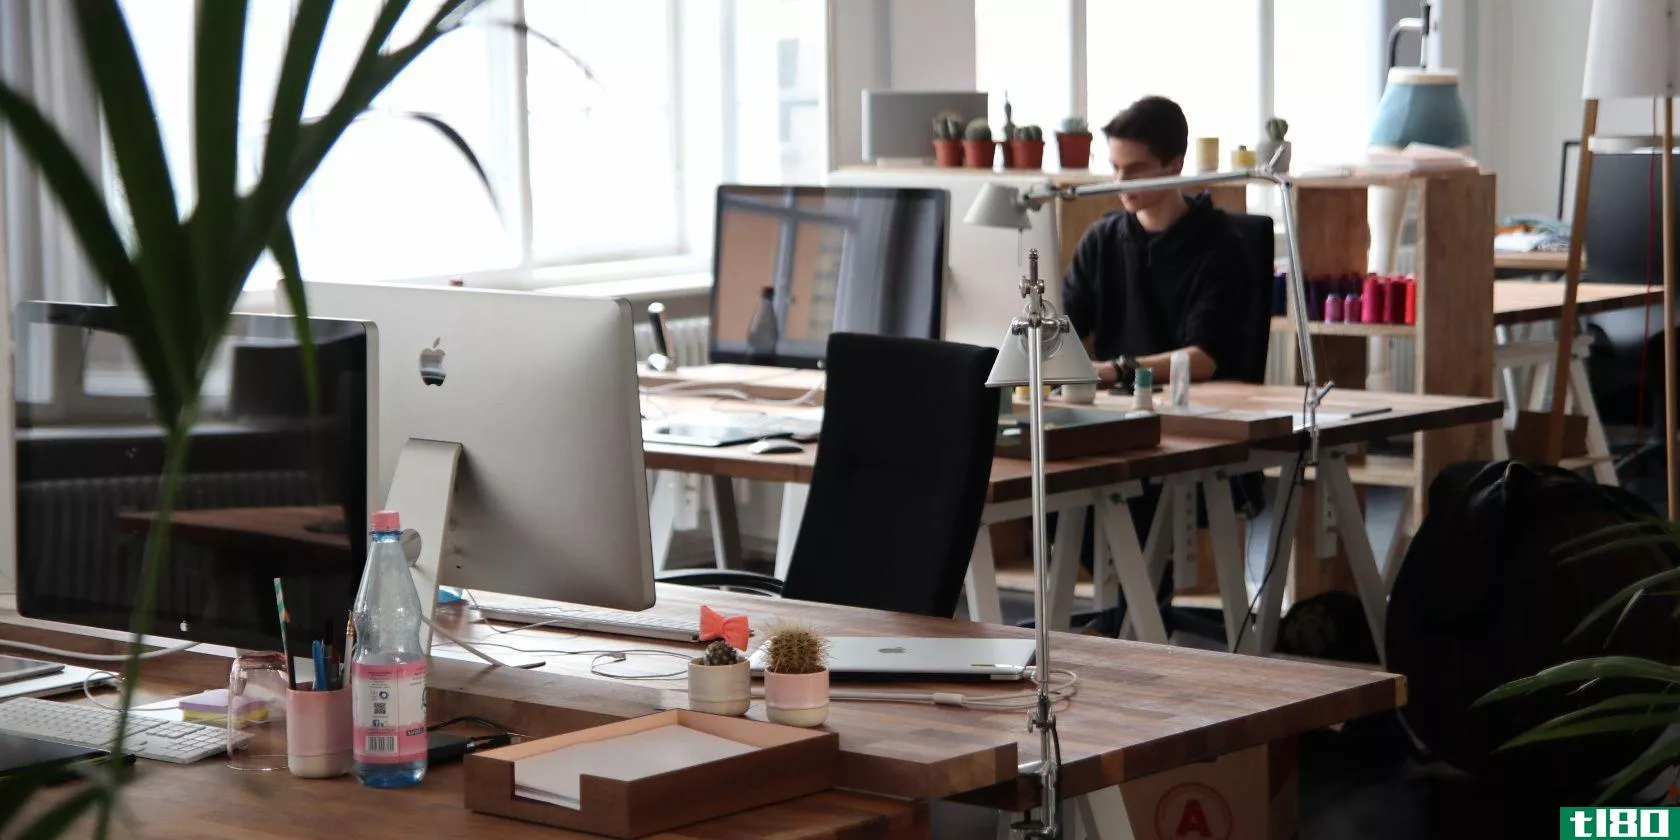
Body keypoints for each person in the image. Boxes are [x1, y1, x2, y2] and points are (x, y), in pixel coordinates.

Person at [1062, 96, 1250, 390]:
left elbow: (1204, 358)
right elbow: (1062, 330)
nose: (1121, 181)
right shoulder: (1100, 241)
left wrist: (1119, 370)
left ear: (1175, 165)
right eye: (1115, 167)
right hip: (1112, 406)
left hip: (1196, 407)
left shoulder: (1221, 245)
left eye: (1135, 169)